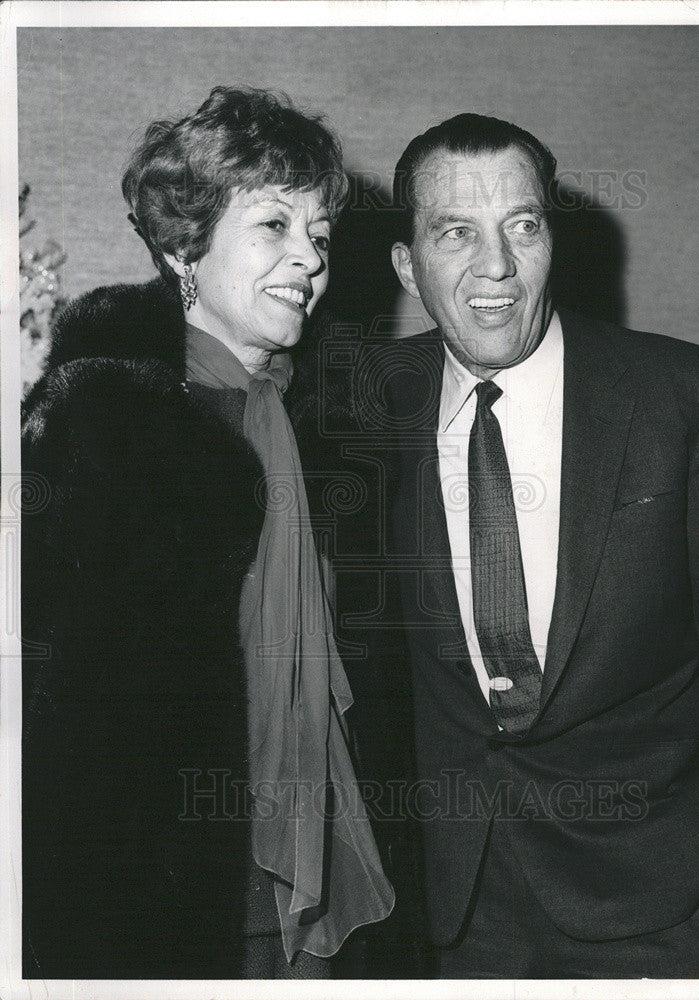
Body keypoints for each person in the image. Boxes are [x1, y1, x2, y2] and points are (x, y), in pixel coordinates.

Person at [375, 113, 699, 978]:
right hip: (451, 909)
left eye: (523, 225)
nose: (497, 267)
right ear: (408, 265)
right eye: (455, 233)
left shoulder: (684, 392)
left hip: (663, 898)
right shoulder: (366, 402)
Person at [21, 85, 393, 980]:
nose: (309, 259)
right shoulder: (104, 418)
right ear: (185, 245)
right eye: (274, 226)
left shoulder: (316, 427)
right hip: (159, 879)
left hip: (300, 865)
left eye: (321, 236)